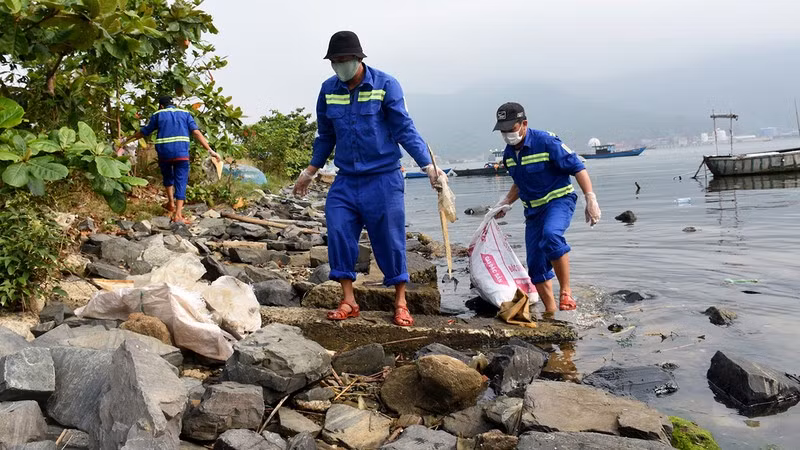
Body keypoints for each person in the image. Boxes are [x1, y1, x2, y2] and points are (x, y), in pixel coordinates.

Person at [293, 31, 445, 327]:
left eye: (345, 59)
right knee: (338, 229)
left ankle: (400, 302)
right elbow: (326, 136)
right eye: (335, 61)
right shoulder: (328, 90)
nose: (340, 65)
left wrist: (428, 166)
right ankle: (348, 299)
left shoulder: (386, 85)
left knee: (390, 238)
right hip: (347, 179)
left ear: (358, 59)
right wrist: (310, 171)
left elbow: (404, 129)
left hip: (384, 177)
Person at [492, 102, 601, 312]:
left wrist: (590, 198)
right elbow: (519, 183)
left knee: (551, 236)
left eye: (511, 129)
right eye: (503, 131)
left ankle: (566, 293)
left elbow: (578, 167)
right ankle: (552, 314)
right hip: (533, 212)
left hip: (559, 201)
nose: (507, 134)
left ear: (523, 124)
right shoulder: (508, 155)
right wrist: (505, 202)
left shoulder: (546, 141)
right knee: (535, 266)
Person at [117, 96, 220, 224]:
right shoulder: (185, 114)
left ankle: (171, 203)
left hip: (164, 153)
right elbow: (196, 133)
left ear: (161, 106)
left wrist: (127, 140)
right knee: (181, 181)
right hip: (182, 154)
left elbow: (144, 132)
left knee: (168, 176)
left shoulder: (158, 114)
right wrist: (210, 150)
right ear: (173, 104)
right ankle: (178, 215)